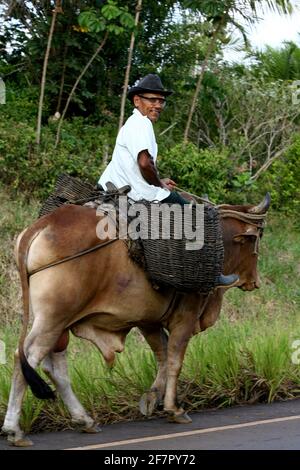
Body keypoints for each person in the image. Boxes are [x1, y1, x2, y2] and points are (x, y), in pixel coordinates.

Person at [98, 73, 239, 289]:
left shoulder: (133, 124)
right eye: (152, 100)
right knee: (197, 216)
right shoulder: (141, 124)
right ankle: (210, 274)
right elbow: (145, 164)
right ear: (137, 101)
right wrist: (160, 185)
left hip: (121, 187)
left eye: (161, 101)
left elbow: (139, 166)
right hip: (137, 194)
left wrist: (158, 179)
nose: (158, 105)